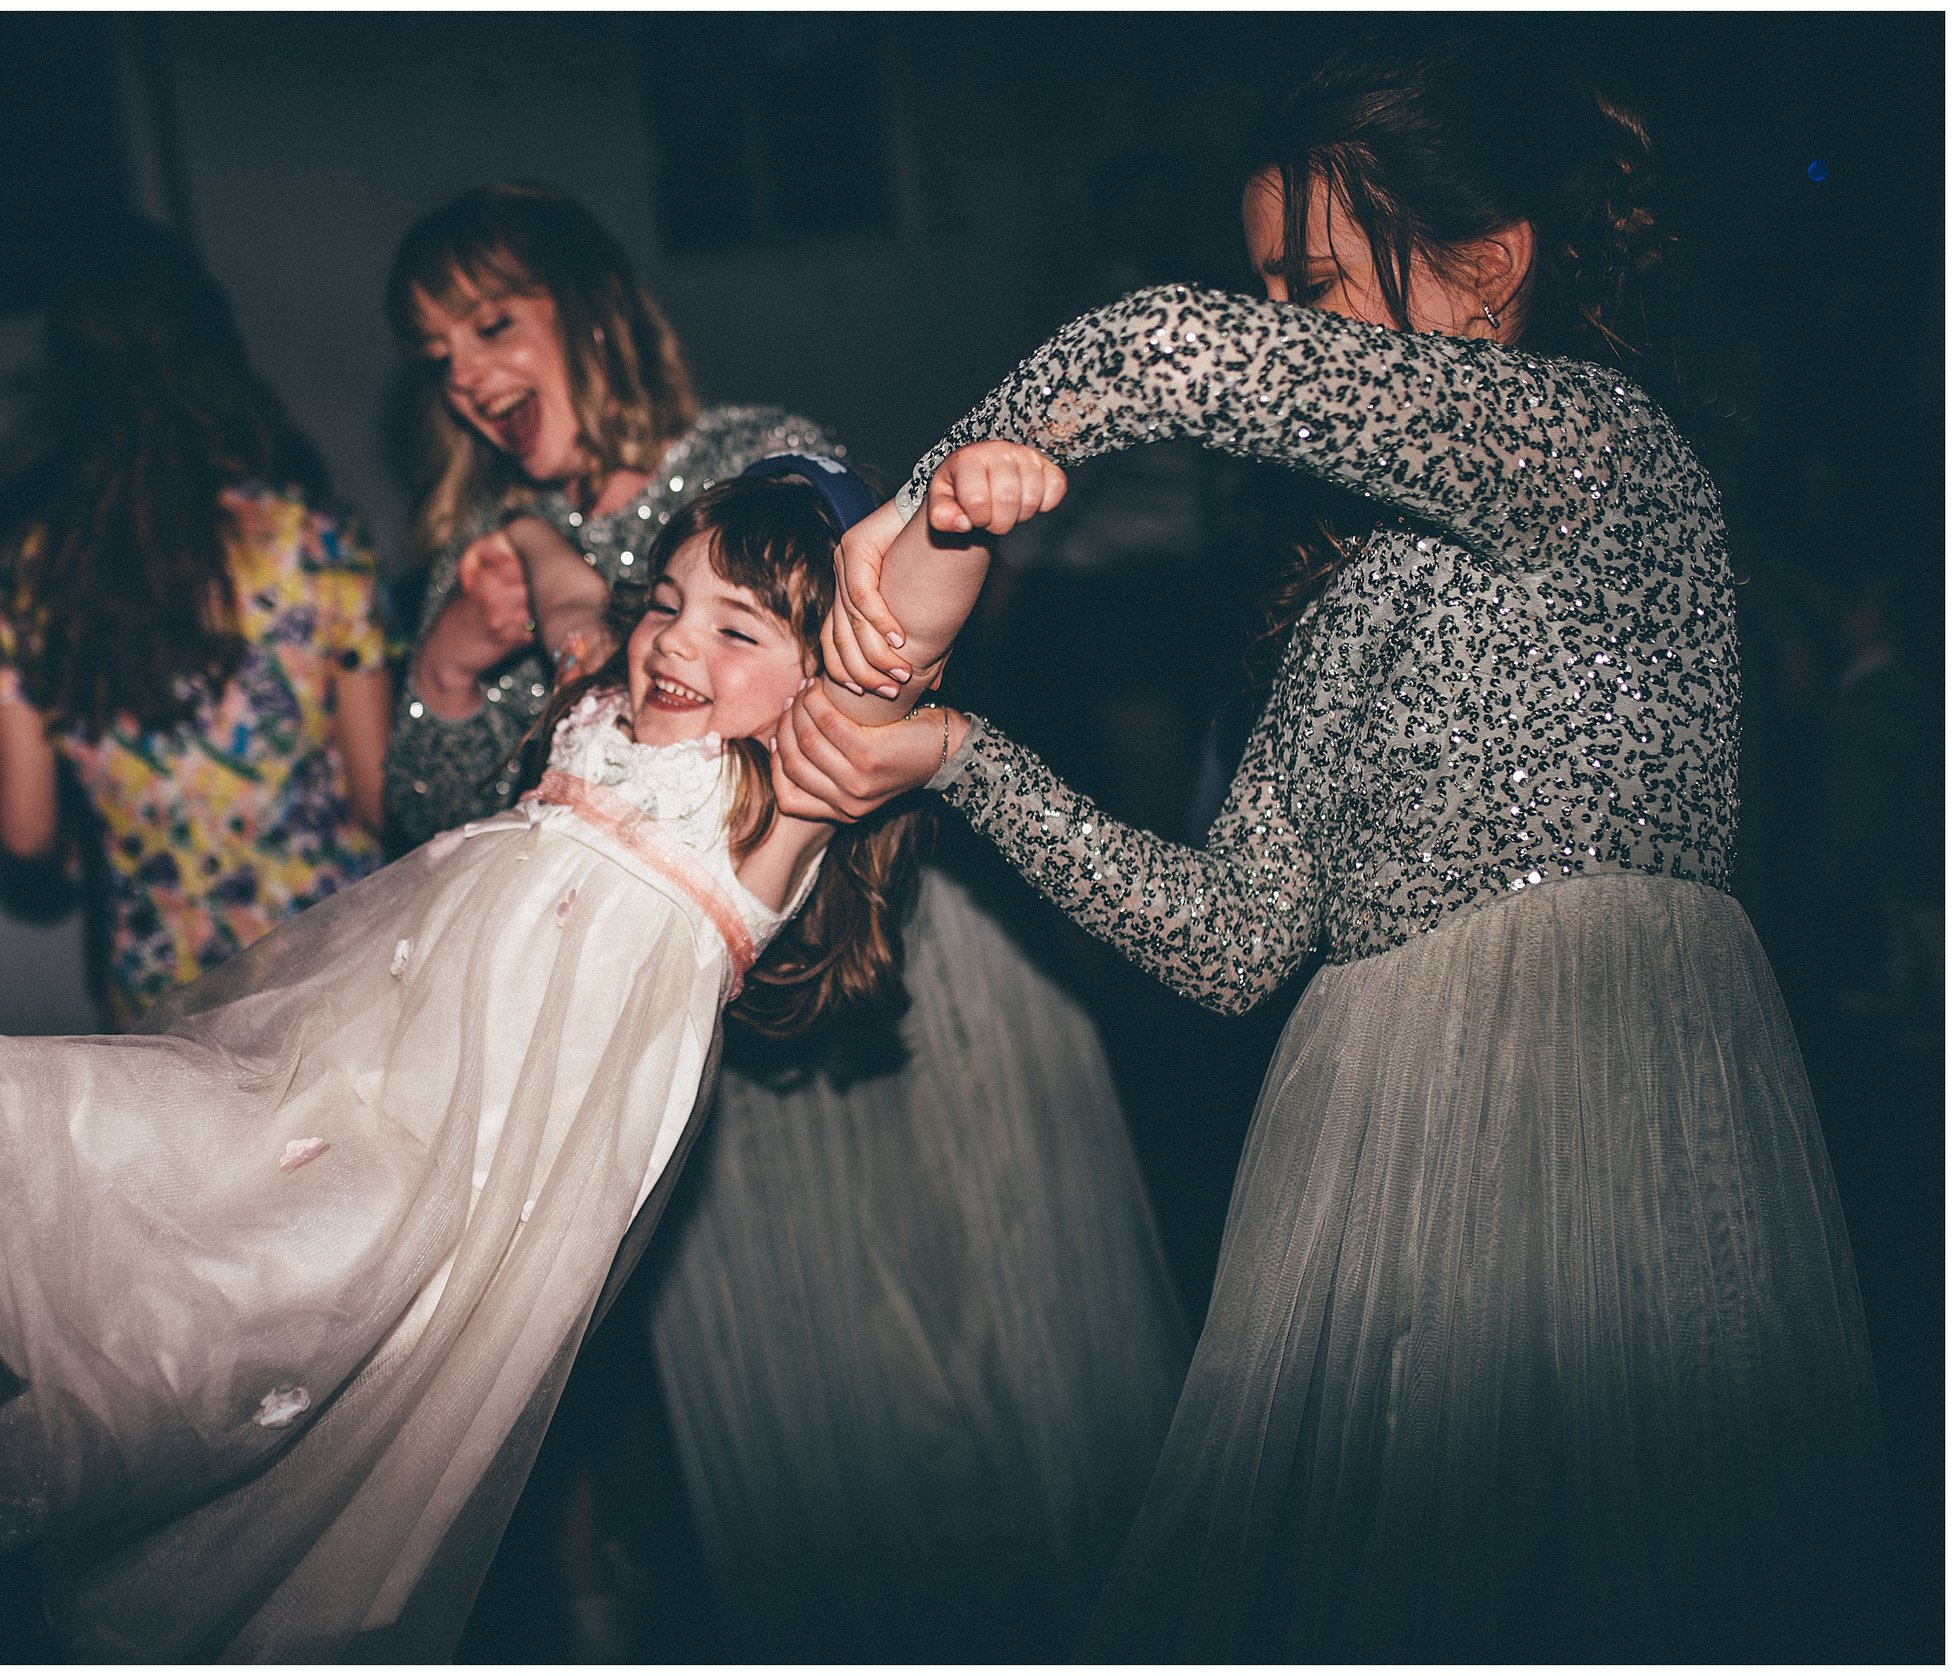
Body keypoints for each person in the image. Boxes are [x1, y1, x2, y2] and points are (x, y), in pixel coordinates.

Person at [783, 29, 1887, 1662]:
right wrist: (956, 755)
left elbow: (1168, 352)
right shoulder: (1336, 606)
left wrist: (935, 499)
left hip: (1582, 1093)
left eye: (1308, 288)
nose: (1277, 337)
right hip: (1360, 1139)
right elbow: (1227, 941)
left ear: (1489, 264)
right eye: (1268, 294)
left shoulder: (1595, 452)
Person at [0, 472, 996, 1660]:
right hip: (325, 1078)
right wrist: (540, 560)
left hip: (438, 1199)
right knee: (55, 1114)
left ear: (830, 678)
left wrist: (960, 513)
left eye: (740, 629)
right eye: (669, 604)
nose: (680, 643)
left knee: (171, 1365)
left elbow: (905, 627)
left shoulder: (782, 797)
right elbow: (566, 580)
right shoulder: (610, 717)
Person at [384, 182, 1188, 1658]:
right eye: (435, 353)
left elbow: (901, 640)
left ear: (588, 305)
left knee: (1020, 1365)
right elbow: (446, 839)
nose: (470, 374)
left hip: (909, 976)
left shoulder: (753, 458)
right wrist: (446, 670)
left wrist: (613, 600)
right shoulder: (472, 562)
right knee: (839, 1437)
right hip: (697, 1062)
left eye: (492, 322)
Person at [0, 215, 391, 1025]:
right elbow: (379, 799)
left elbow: (27, 840)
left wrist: (4, 708)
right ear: (214, 353)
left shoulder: (29, 572)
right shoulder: (314, 534)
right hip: (336, 977)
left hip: (171, 999)